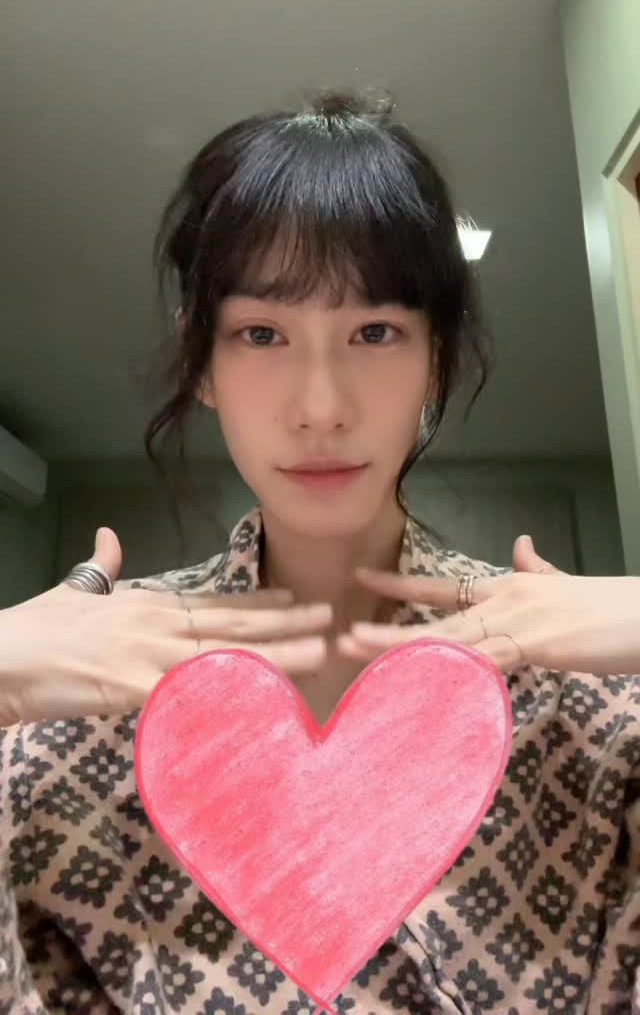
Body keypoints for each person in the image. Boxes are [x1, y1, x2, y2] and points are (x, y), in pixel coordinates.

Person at [0, 89, 638, 1014]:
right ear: (203, 362)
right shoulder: (65, 710)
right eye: (262, 333)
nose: (322, 406)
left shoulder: (587, 700)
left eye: (375, 332)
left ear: (435, 358)